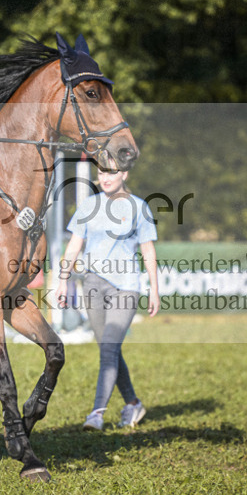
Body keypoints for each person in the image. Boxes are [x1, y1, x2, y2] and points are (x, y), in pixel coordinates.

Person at [56, 168, 160, 430]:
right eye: (101, 171)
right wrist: (62, 279)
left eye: (111, 172)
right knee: (108, 349)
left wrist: (154, 289)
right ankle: (133, 403)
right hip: (92, 285)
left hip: (125, 287)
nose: (105, 177)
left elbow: (148, 250)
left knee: (109, 350)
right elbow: (74, 245)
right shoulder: (88, 206)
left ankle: (97, 413)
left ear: (124, 173)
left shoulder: (139, 207)